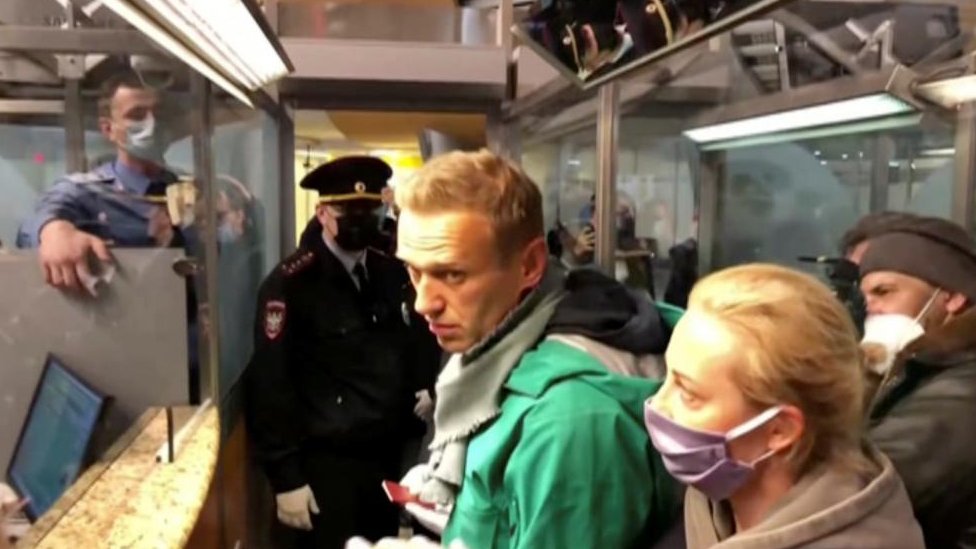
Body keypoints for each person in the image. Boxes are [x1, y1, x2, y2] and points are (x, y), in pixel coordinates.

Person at [394, 150, 680, 549]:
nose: (424, 302)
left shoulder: (568, 421)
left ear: (529, 265)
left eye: (452, 274)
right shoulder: (501, 344)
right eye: (413, 270)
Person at [645, 263, 924, 549]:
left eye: (689, 394)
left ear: (779, 430)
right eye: (668, 378)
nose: (658, 403)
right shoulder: (713, 500)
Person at [244, 156, 438, 549]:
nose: (360, 218)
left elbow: (411, 337)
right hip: (323, 466)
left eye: (369, 209)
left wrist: (425, 385)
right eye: (347, 209)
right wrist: (286, 479)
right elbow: (270, 382)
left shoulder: (390, 273)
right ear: (322, 213)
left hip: (383, 458)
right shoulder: (292, 285)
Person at [857, 220, 976, 549]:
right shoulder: (921, 368)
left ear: (950, 297)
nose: (872, 309)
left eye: (884, 292)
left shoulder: (962, 389)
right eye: (865, 298)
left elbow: (862, 489)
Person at [17, 69, 181, 289]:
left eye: (158, 113)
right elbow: (41, 218)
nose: (152, 123)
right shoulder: (86, 191)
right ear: (108, 129)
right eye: (137, 114)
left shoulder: (188, 190)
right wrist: (55, 231)